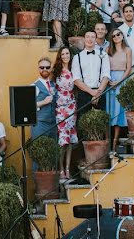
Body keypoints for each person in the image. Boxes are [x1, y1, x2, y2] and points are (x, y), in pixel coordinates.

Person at [51, 46, 78, 181]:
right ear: (60, 56)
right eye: (63, 54)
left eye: (67, 53)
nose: (65, 56)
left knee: (71, 141)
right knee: (63, 140)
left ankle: (67, 169)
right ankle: (61, 169)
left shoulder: (74, 69)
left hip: (72, 107)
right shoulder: (56, 71)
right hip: (60, 108)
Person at [72, 32, 110, 115]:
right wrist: (91, 92)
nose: (90, 39)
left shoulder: (103, 55)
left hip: (100, 92)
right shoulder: (77, 57)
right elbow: (76, 79)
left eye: (92, 37)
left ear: (96, 40)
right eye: (88, 37)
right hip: (83, 94)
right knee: (82, 124)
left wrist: (97, 94)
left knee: (101, 123)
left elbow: (106, 76)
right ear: (84, 39)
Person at [106, 29, 132, 151]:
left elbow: (128, 68)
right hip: (109, 81)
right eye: (113, 35)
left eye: (118, 34)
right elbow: (105, 67)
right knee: (109, 110)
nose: (116, 36)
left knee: (119, 112)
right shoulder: (108, 50)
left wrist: (120, 81)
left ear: (122, 35)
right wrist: (109, 80)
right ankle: (108, 142)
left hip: (122, 81)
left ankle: (115, 143)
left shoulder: (127, 50)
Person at [32, 57, 57, 140]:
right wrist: (43, 102)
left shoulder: (54, 84)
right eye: (42, 67)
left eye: (47, 67)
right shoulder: (33, 86)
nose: (45, 69)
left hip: (54, 123)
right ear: (38, 68)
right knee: (39, 149)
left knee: (54, 150)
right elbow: (28, 106)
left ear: (51, 68)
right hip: (40, 124)